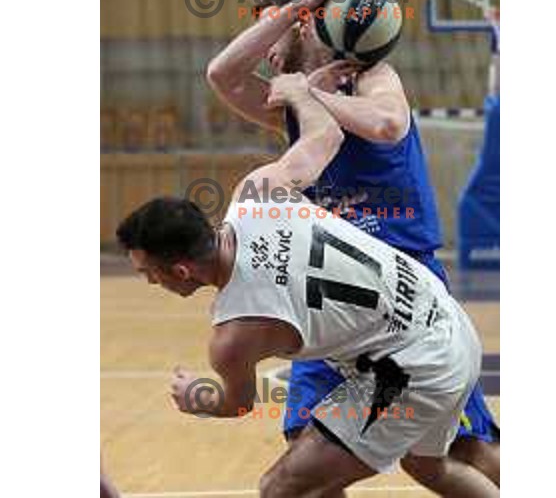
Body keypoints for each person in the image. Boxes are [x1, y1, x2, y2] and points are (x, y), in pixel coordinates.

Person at [117, 73, 499, 497]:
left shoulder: (234, 334)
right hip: (446, 317)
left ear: (181, 270)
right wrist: (301, 92)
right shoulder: (257, 193)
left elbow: (238, 403)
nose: (150, 281)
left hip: (416, 366)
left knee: (282, 488)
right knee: (430, 466)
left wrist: (197, 397)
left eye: (147, 272)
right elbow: (326, 135)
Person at [207, 0, 500, 489]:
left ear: (304, 30)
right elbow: (223, 75)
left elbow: (386, 125)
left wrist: (306, 93)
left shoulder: (371, 77)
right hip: (326, 294)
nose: (268, 54)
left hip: (405, 287)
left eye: (276, 35)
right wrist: (304, 5)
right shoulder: (295, 99)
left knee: (462, 446)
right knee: (304, 449)